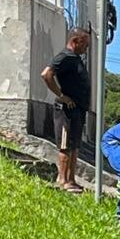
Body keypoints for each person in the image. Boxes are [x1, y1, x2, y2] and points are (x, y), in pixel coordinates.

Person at [40, 28, 91, 194]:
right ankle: (62, 179)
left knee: (75, 146)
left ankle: (71, 179)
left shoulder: (75, 59)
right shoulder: (65, 57)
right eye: (85, 44)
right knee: (65, 145)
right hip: (66, 111)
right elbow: (47, 74)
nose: (87, 48)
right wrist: (62, 96)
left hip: (78, 110)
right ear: (75, 41)